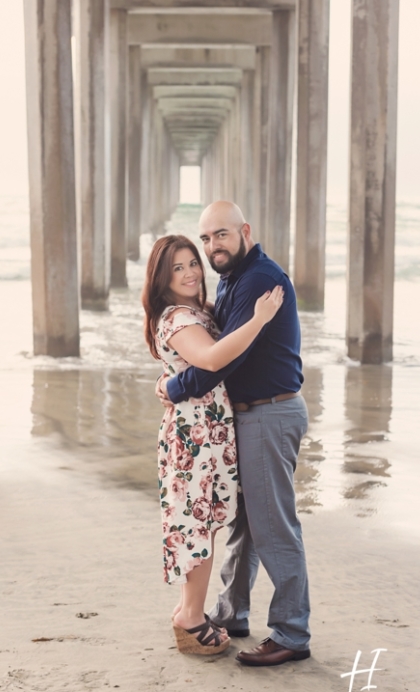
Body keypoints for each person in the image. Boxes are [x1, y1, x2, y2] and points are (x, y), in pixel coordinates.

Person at [161, 201, 311, 667]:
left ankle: (291, 633)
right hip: (250, 417)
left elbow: (223, 361)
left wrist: (172, 385)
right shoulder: (232, 280)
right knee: (246, 526)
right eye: (205, 239)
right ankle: (232, 611)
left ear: (245, 231)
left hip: (270, 414)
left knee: (272, 528)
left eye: (221, 235)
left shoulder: (259, 279)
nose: (212, 247)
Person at [142, 234, 283, 656]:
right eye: (177, 268)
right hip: (194, 435)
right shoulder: (177, 318)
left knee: (202, 521)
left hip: (208, 430)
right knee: (197, 524)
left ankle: (191, 608)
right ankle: (189, 617)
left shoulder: (196, 311)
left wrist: (168, 383)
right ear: (161, 278)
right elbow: (213, 359)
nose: (189, 273)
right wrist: (259, 319)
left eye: (192, 263)